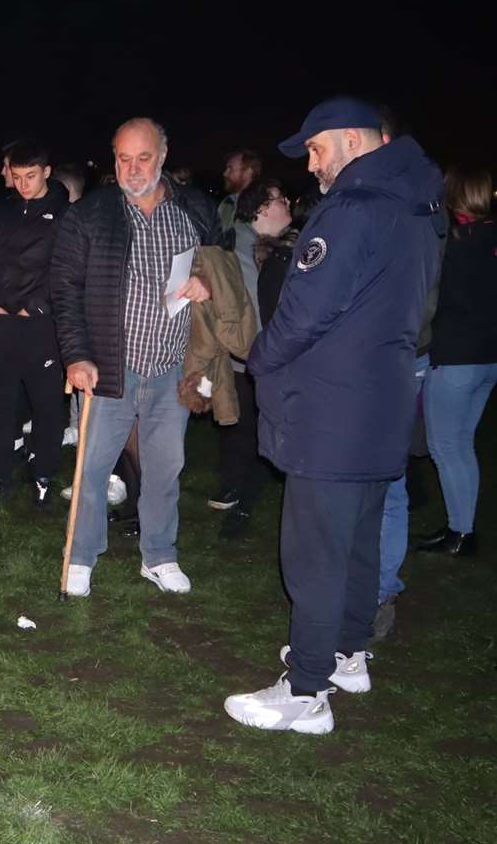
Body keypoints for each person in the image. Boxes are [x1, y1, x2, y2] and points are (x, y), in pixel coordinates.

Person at [226, 97, 443, 734]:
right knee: (354, 545)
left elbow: (304, 312)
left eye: (317, 149)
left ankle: (306, 689)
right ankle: (348, 655)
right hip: (383, 400)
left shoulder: (352, 210)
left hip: (333, 409)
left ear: (351, 140)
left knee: (315, 550)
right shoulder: (418, 207)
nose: (312, 166)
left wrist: (259, 358)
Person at [51, 117, 218, 597]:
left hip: (174, 366)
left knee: (166, 466)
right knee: (93, 468)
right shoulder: (90, 214)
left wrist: (208, 286)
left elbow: (221, 271)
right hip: (110, 365)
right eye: (123, 158)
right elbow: (64, 289)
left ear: (162, 158)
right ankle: (82, 556)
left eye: (143, 157)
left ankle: (159, 555)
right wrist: (77, 355)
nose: (132, 168)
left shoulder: (194, 210)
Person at [0, 140, 70, 505]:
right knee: (0, 404)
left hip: (38, 325)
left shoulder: (65, 213)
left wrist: (37, 307)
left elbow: (63, 269)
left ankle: (43, 475)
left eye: (31, 176)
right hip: (0, 322)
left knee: (46, 405)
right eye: (17, 177)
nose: (24, 184)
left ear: (46, 171)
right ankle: (1, 477)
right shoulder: (4, 209)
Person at [415, 167, 497, 557]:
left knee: (446, 445)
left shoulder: (454, 242)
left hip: (456, 358)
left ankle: (460, 532)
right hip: (488, 359)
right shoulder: (490, 235)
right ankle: (463, 529)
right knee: (461, 444)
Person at [211, 177, 287, 535]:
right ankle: (236, 494)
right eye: (279, 198)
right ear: (261, 207)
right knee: (242, 425)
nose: (287, 203)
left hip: (273, 357)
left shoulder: (286, 245)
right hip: (247, 355)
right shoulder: (236, 245)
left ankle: (243, 495)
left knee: (258, 427)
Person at [217, 149, 262, 231]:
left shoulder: (263, 205)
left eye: (230, 168)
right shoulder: (226, 203)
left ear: (248, 171)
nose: (225, 173)